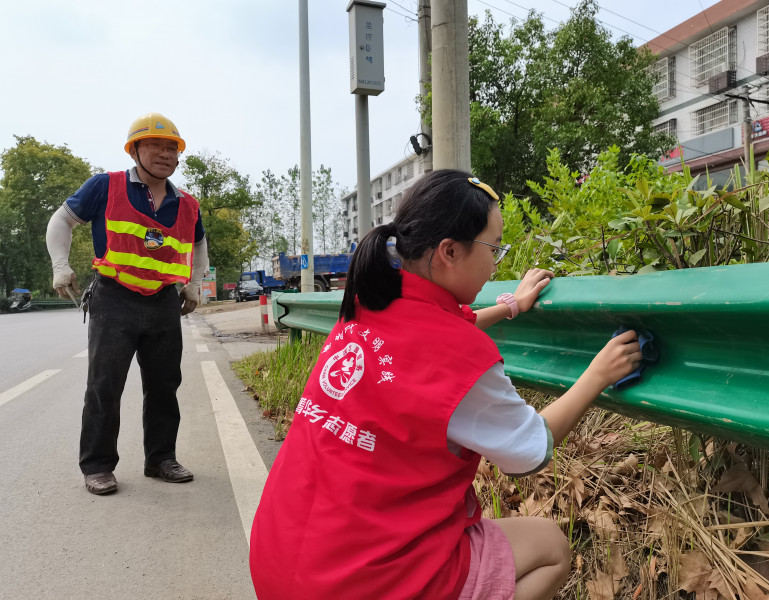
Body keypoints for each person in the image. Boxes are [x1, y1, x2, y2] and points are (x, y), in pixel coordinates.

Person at [248, 169, 642, 599]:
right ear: (450, 251)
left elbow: (436, 326)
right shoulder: (461, 356)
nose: (498, 262)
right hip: (357, 581)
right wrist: (598, 375)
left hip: (279, 558)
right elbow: (533, 448)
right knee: (551, 548)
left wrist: (510, 306)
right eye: (494, 247)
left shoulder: (365, 305)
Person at [45, 112, 208, 496]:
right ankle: (98, 466)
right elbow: (61, 220)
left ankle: (161, 458)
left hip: (163, 301)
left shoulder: (187, 204)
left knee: (165, 384)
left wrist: (194, 285)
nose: (164, 154)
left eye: (171, 148)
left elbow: (199, 244)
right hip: (113, 298)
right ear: (134, 149)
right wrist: (60, 266)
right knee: (105, 385)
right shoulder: (106, 185)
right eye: (154, 145)